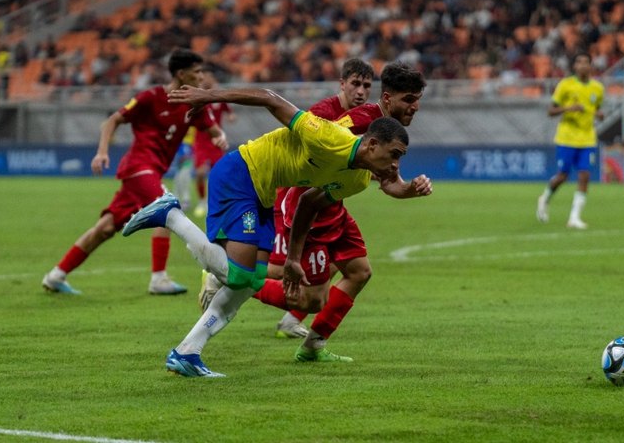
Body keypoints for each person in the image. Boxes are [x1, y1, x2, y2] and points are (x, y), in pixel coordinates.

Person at [122, 87, 430, 377]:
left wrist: (294, 258)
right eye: (394, 154)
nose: (395, 164)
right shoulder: (328, 136)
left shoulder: (358, 180)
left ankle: (187, 353)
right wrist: (209, 95)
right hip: (241, 173)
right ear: (372, 144)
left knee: (252, 281)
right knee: (239, 277)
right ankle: (170, 214)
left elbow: (309, 204)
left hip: (265, 194)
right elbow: (270, 98)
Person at [41, 49, 228, 295]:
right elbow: (112, 121)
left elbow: (215, 131)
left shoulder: (194, 105)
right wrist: (102, 152)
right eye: (197, 72)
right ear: (181, 74)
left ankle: (56, 275)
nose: (202, 77)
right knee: (167, 208)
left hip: (149, 174)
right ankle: (159, 278)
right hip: (139, 166)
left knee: (105, 229)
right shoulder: (150, 97)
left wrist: (220, 138)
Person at [215, 57, 376, 338]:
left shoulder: (367, 120)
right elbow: (303, 157)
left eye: (366, 86)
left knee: (352, 267)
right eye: (355, 84)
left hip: (329, 203)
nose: (361, 91)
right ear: (342, 83)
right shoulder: (323, 114)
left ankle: (296, 325)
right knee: (279, 271)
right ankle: (222, 275)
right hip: (296, 202)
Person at [536, 52, 604, 229]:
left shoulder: (598, 88)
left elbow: (596, 109)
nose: (582, 65)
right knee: (563, 175)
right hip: (567, 137)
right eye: (579, 62)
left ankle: (574, 218)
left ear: (590, 66)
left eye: (585, 62)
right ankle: (545, 197)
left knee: (585, 176)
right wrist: (568, 108)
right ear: (574, 67)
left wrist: (599, 114)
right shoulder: (565, 85)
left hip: (588, 138)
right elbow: (550, 111)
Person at [192, 64, 236, 218]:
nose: (206, 79)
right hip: (201, 141)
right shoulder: (197, 96)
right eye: (204, 77)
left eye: (209, 77)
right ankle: (202, 201)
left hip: (216, 141)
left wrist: (231, 117)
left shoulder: (219, 97)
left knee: (221, 174)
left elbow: (230, 113)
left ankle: (220, 202)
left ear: (213, 79)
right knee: (200, 173)